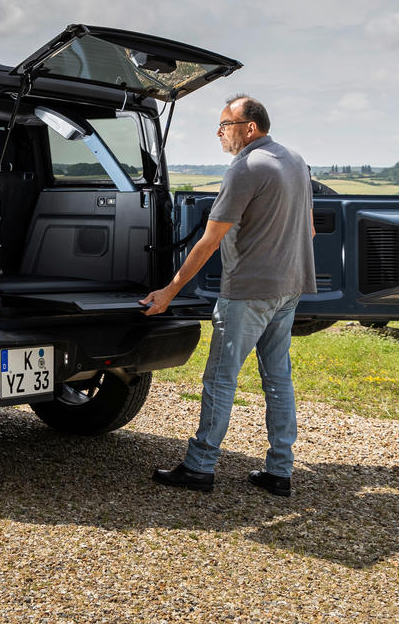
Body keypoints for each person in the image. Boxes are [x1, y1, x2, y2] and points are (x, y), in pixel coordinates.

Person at [140, 94, 315, 497]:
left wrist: (169, 291)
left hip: (248, 292)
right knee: (278, 378)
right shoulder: (295, 160)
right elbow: (308, 229)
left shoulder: (246, 167)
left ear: (249, 128)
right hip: (289, 287)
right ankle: (280, 471)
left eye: (225, 125)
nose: (219, 133)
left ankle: (199, 467)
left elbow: (209, 241)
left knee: (221, 378)